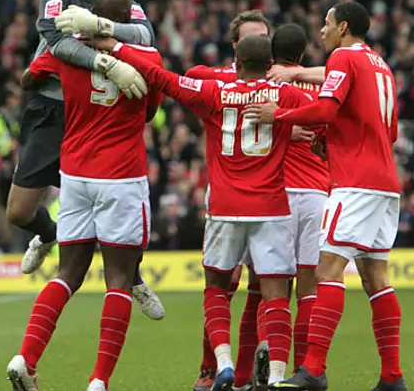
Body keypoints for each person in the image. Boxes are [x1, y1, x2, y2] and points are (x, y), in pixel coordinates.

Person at [94, 34, 313, 391]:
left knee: (216, 288)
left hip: (225, 208)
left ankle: (223, 364)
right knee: (275, 295)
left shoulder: (214, 92)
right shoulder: (286, 96)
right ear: (271, 67)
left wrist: (114, 46)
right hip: (271, 207)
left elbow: (162, 77)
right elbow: (323, 112)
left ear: (236, 65)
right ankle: (275, 377)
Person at [7, 0, 164, 391]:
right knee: (118, 279)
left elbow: (27, 79)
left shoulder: (64, 52)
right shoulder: (145, 58)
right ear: (127, 20)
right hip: (122, 177)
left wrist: (53, 63)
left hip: (76, 175)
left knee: (66, 274)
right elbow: (149, 113)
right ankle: (98, 381)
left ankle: (25, 356)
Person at [244, 2, 405, 391]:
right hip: (385, 183)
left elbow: (327, 108)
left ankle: (313, 368)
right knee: (376, 278)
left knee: (327, 272)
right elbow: (391, 130)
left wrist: (277, 117)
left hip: (354, 184)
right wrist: (331, 142)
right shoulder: (380, 65)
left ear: (343, 27)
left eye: (327, 24)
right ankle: (392, 377)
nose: (322, 31)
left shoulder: (342, 57)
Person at [185, 14, 317, 391]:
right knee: (227, 282)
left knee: (264, 287)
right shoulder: (221, 79)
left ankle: (249, 374)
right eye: (254, 39)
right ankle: (211, 367)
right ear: (236, 49)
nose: (264, 46)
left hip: (272, 195)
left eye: (266, 38)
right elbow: (193, 74)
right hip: (230, 191)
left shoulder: (283, 83)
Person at [270, 23, 330, 374]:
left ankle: (271, 364)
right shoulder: (324, 84)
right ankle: (304, 368)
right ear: (304, 52)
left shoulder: (269, 82)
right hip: (317, 195)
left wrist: (281, 126)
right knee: (309, 287)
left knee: (273, 286)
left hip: (277, 194)